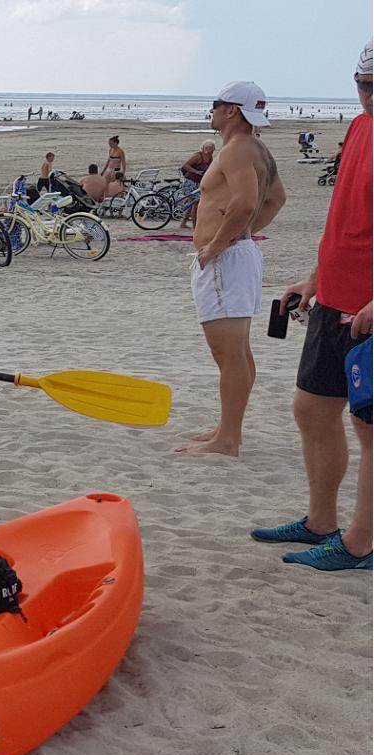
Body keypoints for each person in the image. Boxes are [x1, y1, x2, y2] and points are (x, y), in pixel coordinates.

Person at [254, 42, 372, 569]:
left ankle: (360, 545)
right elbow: (346, 217)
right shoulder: (359, 128)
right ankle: (321, 521)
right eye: (363, 83)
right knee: (311, 408)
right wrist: (314, 278)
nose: (368, 94)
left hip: (369, 307)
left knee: (369, 430)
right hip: (336, 298)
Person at [180, 81, 287, 457]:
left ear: (231, 111)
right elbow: (276, 199)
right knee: (237, 351)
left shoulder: (239, 150)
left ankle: (228, 439)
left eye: (215, 104)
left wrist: (218, 243)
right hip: (236, 255)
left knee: (228, 353)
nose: (211, 111)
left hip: (227, 260)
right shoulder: (255, 148)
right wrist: (242, 234)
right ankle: (228, 428)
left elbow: (246, 202)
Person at [181, 140, 216, 226]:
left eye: (214, 148)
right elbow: (185, 165)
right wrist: (196, 171)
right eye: (212, 148)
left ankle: (183, 223)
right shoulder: (198, 156)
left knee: (192, 203)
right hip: (191, 182)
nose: (214, 150)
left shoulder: (210, 157)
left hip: (199, 183)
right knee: (196, 204)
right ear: (206, 148)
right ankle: (195, 225)